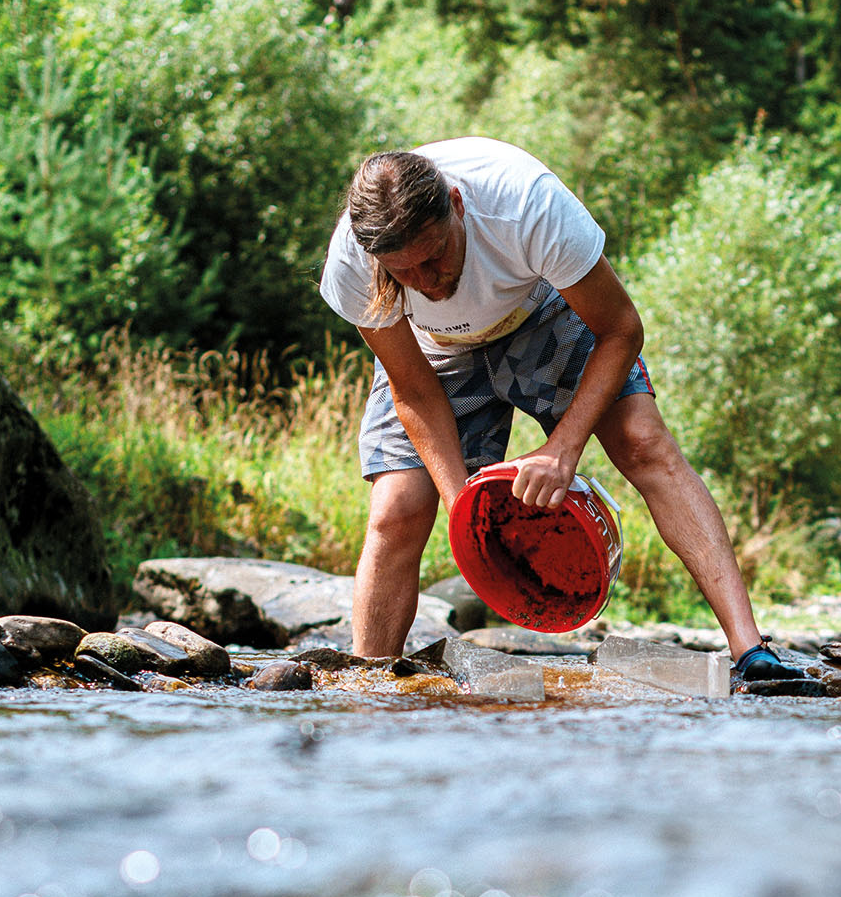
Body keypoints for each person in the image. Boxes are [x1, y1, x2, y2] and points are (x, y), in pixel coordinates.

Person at [320, 139, 801, 686]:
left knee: (644, 442)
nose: (427, 282)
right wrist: (463, 512)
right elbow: (415, 393)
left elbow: (621, 330)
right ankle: (369, 687)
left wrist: (561, 450)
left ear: (456, 204)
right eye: (405, 273)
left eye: (434, 257)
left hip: (539, 312)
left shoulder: (525, 203)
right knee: (397, 509)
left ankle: (752, 651)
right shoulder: (354, 261)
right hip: (436, 351)